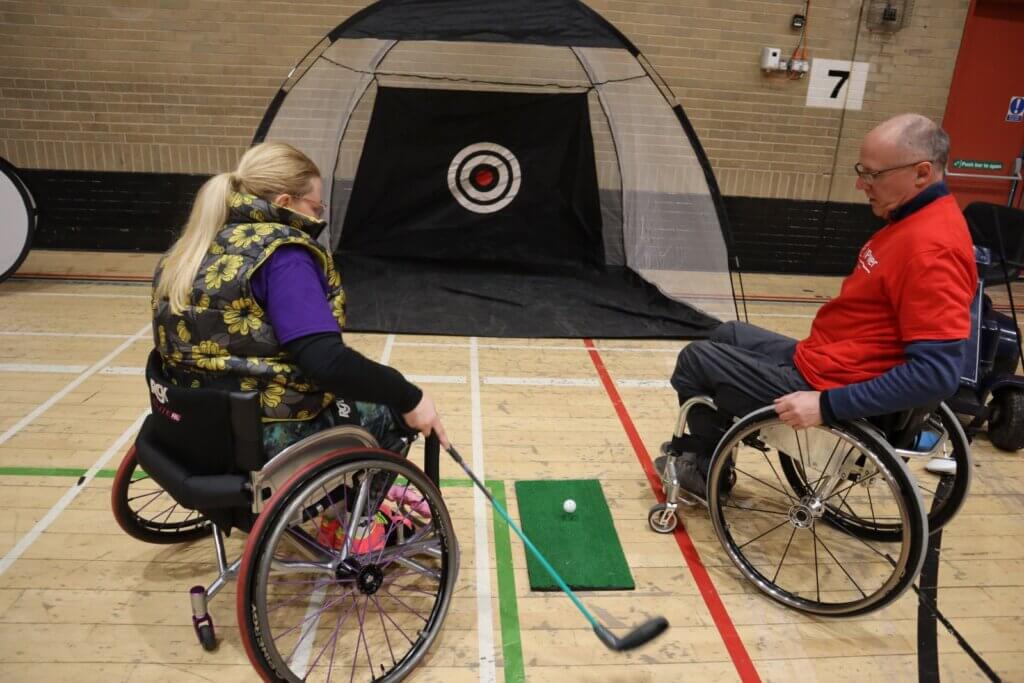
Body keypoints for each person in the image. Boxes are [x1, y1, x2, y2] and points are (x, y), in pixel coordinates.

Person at [657, 113, 977, 498]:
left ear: (922, 173)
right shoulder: (916, 218)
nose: (861, 184)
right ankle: (712, 452)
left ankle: (707, 471)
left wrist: (827, 405)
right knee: (728, 332)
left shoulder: (932, 249)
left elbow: (936, 375)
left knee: (695, 360)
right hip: (829, 359)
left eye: (873, 175)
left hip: (831, 383)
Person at [151, 141, 448, 462]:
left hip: (190, 425)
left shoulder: (191, 248)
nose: (318, 217)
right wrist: (409, 396)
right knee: (394, 411)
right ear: (285, 202)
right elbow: (326, 362)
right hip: (264, 434)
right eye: (316, 208)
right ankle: (346, 509)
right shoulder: (284, 257)